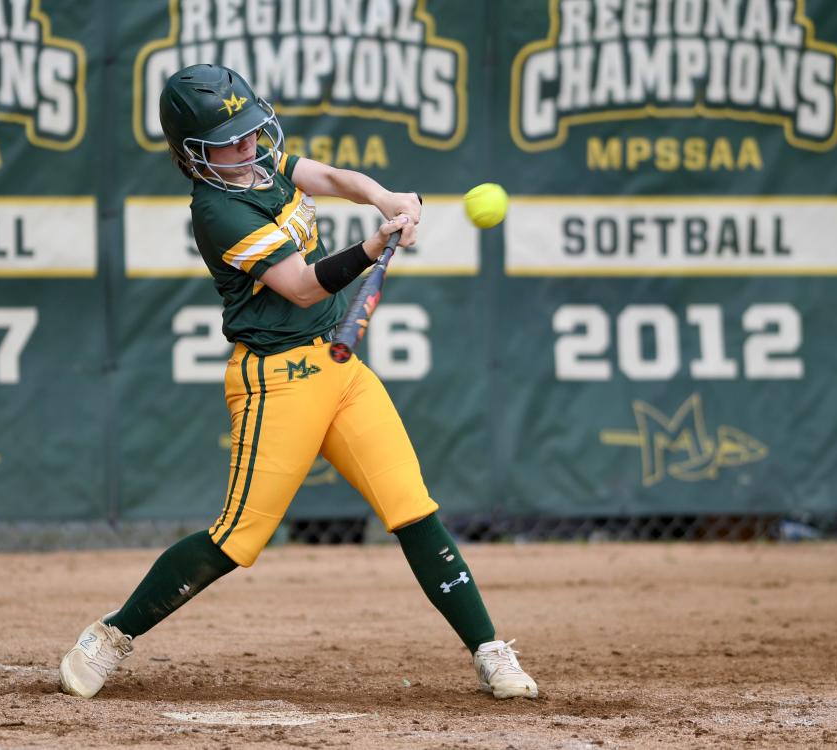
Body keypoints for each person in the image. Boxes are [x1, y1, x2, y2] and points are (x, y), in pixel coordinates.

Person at [58, 64, 537, 700]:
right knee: (236, 539)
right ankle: (111, 635)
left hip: (339, 369)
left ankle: (488, 648)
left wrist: (385, 199)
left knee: (413, 508)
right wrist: (372, 246)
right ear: (194, 154)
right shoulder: (217, 210)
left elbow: (335, 178)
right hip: (275, 380)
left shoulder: (260, 166)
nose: (246, 145)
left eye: (250, 130)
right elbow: (303, 284)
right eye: (228, 140)